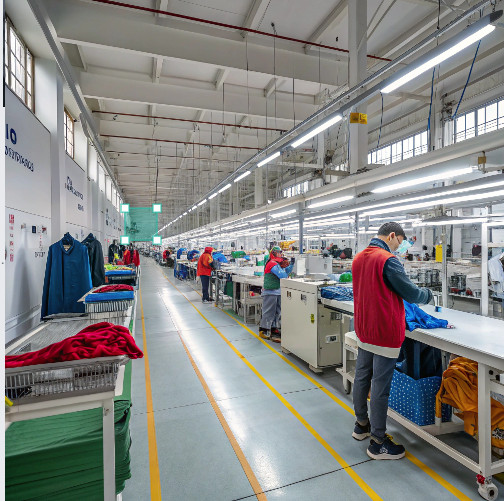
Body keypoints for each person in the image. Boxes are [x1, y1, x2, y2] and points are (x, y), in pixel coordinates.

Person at [351, 222, 433, 460]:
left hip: (365, 328)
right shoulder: (387, 259)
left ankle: (361, 425)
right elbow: (411, 293)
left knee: (362, 376)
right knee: (380, 386)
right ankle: (378, 442)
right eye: (399, 242)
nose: (399, 247)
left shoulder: (359, 258)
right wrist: (428, 294)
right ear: (393, 236)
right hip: (384, 331)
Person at [259, 246, 294, 343]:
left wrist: (291, 265)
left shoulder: (277, 263)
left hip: (277, 291)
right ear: (273, 253)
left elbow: (286, 272)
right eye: (278, 252)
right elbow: (282, 275)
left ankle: (274, 329)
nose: (280, 254)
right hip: (270, 292)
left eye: (281, 252)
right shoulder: (272, 263)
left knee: (277, 312)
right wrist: (284, 268)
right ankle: (264, 330)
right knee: (268, 312)